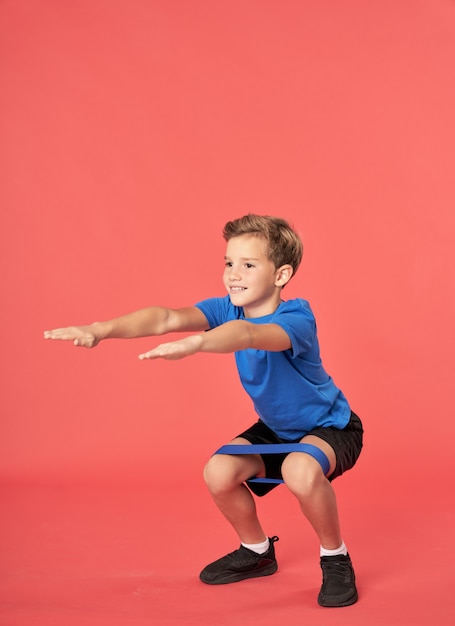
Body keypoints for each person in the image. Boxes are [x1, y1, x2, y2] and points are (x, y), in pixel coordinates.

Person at [44, 214, 363, 608]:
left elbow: (250, 335)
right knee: (218, 471)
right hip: (278, 429)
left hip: (332, 427)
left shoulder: (297, 318)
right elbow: (165, 317)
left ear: (281, 275)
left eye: (248, 265)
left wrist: (197, 344)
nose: (233, 274)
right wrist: (100, 329)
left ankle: (335, 557)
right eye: (229, 262)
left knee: (300, 469)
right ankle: (257, 552)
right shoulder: (227, 309)